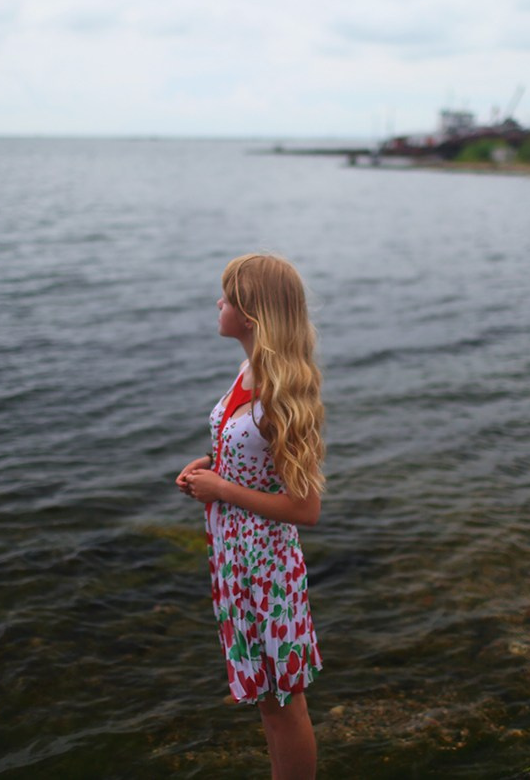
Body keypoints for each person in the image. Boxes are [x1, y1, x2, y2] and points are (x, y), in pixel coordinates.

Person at [176, 253, 325, 780]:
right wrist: (210, 470)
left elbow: (305, 509)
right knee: (266, 699)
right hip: (235, 562)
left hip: (268, 569)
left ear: (252, 312)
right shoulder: (248, 370)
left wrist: (224, 489)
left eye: (227, 296)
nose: (218, 303)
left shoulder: (282, 394)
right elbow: (251, 463)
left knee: (285, 702)